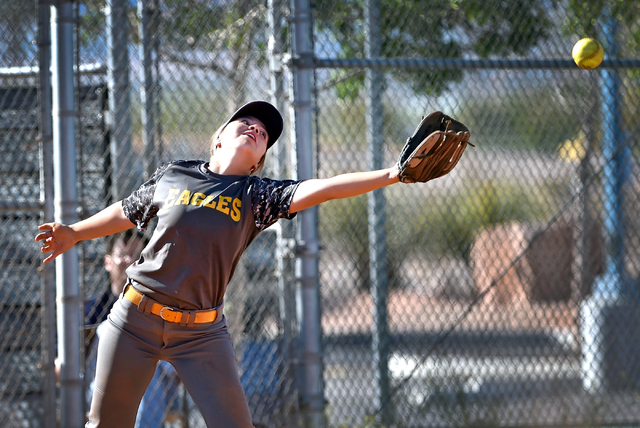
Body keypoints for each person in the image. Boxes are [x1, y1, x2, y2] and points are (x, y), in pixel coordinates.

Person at [35, 100, 401, 427]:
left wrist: (392, 174)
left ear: (258, 162)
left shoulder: (257, 195)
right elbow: (128, 210)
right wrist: (74, 232)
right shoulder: (174, 174)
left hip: (201, 335)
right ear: (219, 138)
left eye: (263, 133)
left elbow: (328, 187)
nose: (256, 128)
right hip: (134, 320)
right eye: (246, 121)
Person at [84, 230, 180, 427]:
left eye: (138, 256)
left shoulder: (161, 307)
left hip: (154, 387)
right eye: (124, 255)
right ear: (108, 262)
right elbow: (63, 365)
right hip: (100, 388)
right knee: (108, 330)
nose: (131, 261)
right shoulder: (90, 310)